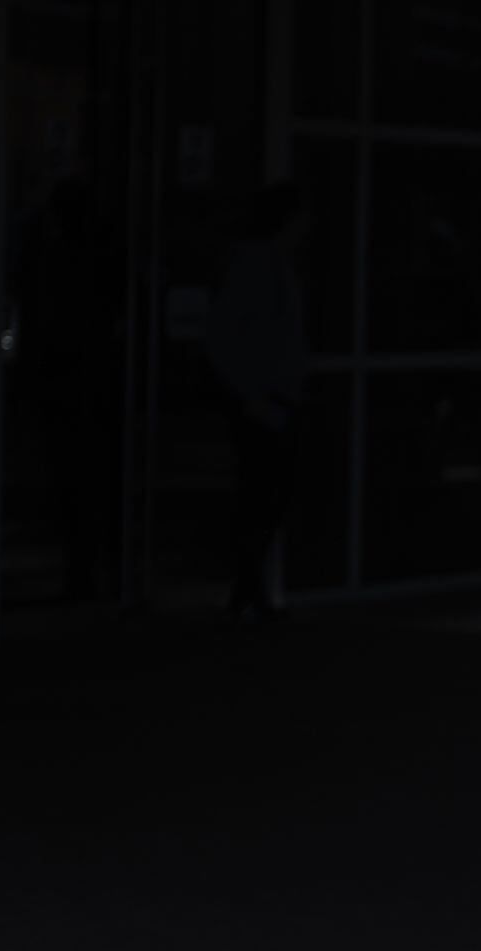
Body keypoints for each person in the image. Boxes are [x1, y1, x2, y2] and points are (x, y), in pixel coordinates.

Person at [204, 181, 310, 623]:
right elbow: (224, 339)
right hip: (262, 402)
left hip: (271, 399)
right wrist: (252, 396)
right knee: (263, 496)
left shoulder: (273, 264)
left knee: (267, 496)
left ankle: (250, 590)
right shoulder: (256, 266)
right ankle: (249, 591)